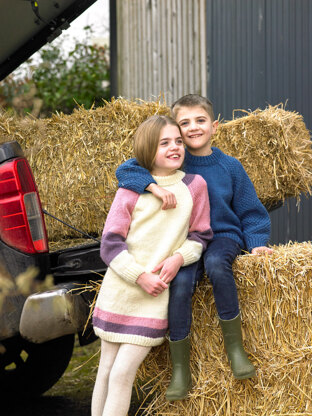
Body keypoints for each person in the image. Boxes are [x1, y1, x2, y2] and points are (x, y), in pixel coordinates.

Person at [116, 94, 273, 400]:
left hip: (222, 237)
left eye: (200, 120)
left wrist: (256, 245)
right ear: (177, 130)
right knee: (181, 282)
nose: (193, 127)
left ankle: (235, 349)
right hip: (186, 242)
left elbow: (251, 212)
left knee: (216, 265)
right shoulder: (172, 161)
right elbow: (125, 170)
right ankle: (180, 369)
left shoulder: (230, 167)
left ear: (214, 126)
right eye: (184, 123)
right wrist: (153, 187)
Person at [91, 114, 213, 416]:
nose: (175, 147)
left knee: (122, 373)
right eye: (164, 143)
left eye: (178, 141)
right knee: (106, 370)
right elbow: (110, 244)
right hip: (120, 290)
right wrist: (139, 276)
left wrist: (179, 257)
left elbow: (201, 235)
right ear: (148, 149)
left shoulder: (195, 186)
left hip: (154, 298)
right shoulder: (131, 188)